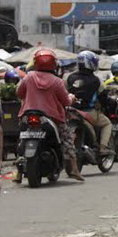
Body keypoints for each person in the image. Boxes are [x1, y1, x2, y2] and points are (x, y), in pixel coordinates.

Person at [15, 48, 84, 182]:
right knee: (67, 139)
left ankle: (18, 173)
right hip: (52, 118)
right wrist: (72, 98)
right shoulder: (57, 81)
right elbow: (65, 101)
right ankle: (74, 169)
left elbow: (19, 93)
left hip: (28, 115)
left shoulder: (29, 77)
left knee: (21, 138)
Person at [66, 50, 113, 155]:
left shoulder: (70, 77)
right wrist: (106, 107)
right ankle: (102, 147)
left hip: (71, 112)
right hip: (89, 112)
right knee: (107, 124)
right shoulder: (96, 80)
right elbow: (103, 98)